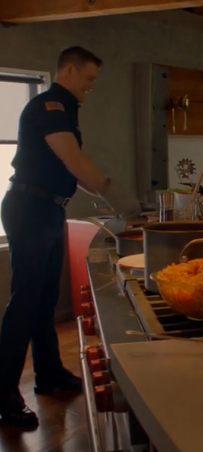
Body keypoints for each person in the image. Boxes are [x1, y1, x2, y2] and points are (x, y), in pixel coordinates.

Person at [0, 47, 125, 428]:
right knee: (26, 300)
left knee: (44, 299)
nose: (91, 86)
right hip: (30, 208)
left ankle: (49, 373)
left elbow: (69, 169)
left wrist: (105, 198)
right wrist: (116, 195)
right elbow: (74, 160)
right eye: (88, 77)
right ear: (69, 69)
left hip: (49, 208)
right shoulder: (49, 107)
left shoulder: (65, 109)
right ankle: (4, 394)